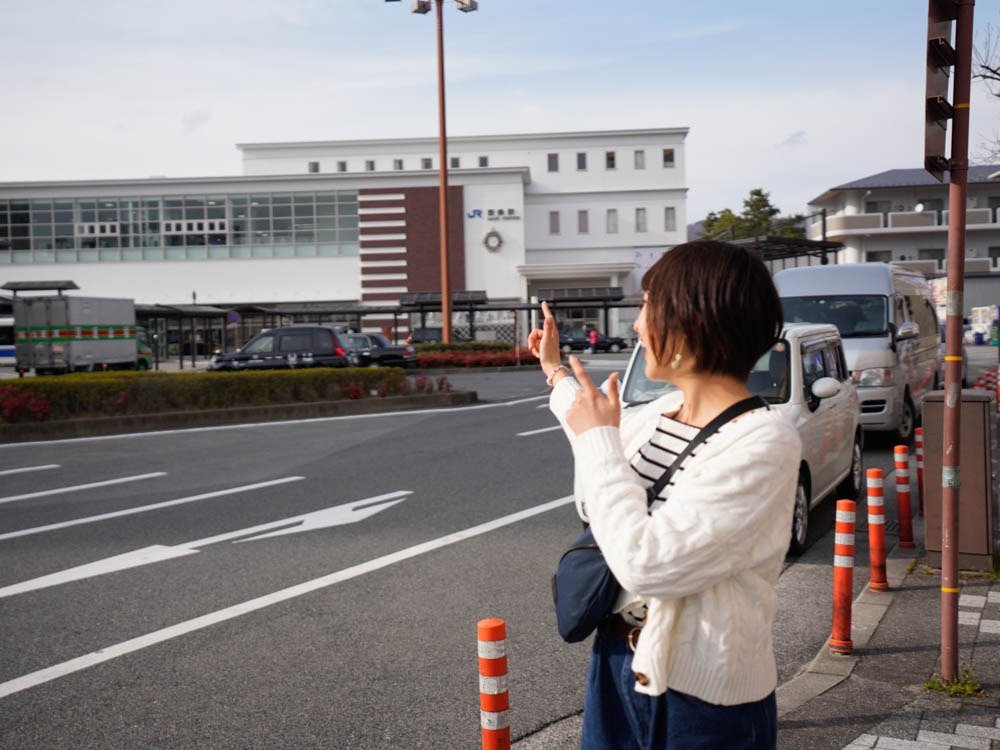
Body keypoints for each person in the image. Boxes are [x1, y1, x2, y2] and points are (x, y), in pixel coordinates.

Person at [528, 240, 801, 749]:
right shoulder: (660, 414)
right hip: (618, 664)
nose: (636, 326)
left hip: (702, 696)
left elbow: (648, 564)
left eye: (647, 306)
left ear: (692, 316)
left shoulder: (763, 439)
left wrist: (599, 440)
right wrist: (555, 373)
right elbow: (594, 446)